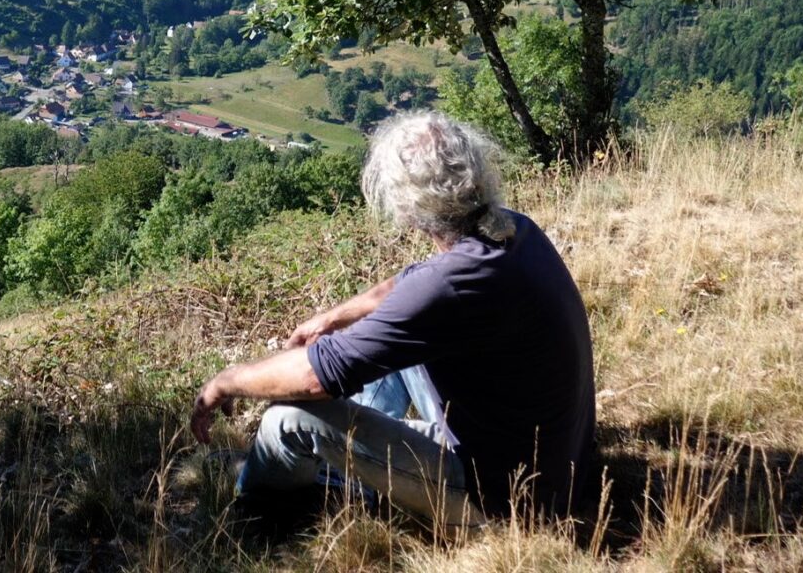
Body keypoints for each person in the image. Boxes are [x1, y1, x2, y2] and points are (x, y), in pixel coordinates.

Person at [190, 110, 595, 524]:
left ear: (405, 207)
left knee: (287, 420)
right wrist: (333, 318)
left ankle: (261, 513)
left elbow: (315, 376)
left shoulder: (448, 286)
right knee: (388, 340)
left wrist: (227, 380)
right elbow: (409, 285)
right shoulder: (513, 231)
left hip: (506, 501)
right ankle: (351, 462)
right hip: (552, 466)